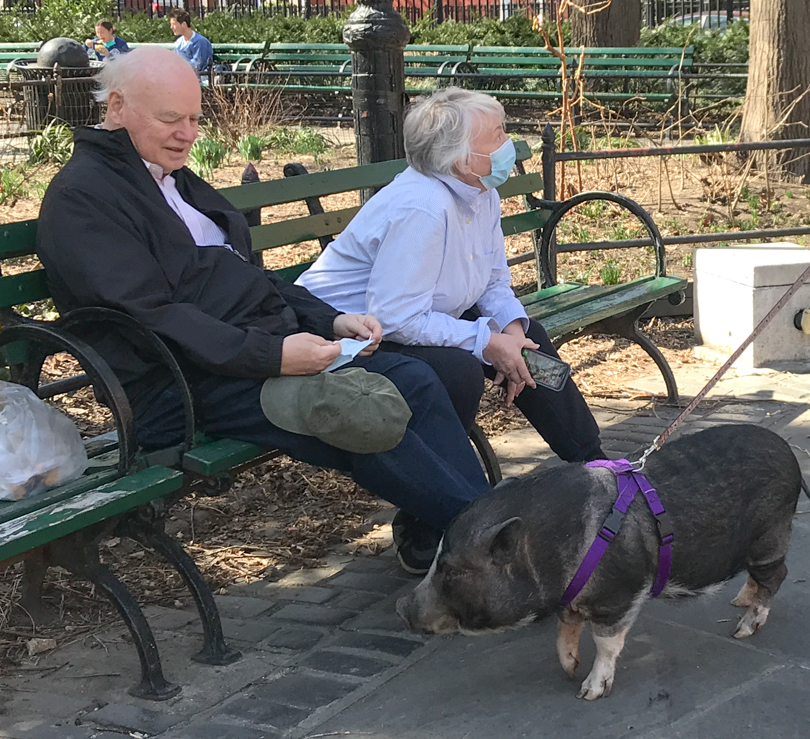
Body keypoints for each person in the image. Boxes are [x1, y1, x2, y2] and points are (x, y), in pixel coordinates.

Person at [36, 47, 489, 574]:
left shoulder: (167, 176)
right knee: (354, 409)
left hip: (241, 356)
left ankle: (472, 534)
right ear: (116, 106)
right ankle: (495, 545)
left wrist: (327, 320)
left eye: (194, 119)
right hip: (176, 383)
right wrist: (273, 355)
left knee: (416, 379)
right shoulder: (83, 197)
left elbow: (249, 276)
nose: (187, 133)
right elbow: (147, 316)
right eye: (170, 119)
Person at [297, 88, 607, 465]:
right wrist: (486, 342)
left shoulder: (480, 192)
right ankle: (438, 506)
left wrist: (509, 332)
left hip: (411, 318)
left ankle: (596, 464)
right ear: (461, 159)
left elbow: (493, 281)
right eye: (497, 135)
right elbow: (394, 318)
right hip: (346, 335)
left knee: (529, 340)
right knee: (456, 370)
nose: (508, 143)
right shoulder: (423, 208)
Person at [169, 8, 214, 75]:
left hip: (198, 78)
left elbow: (197, 65)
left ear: (184, 24)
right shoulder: (179, 43)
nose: (171, 27)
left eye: (174, 24)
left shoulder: (200, 42)